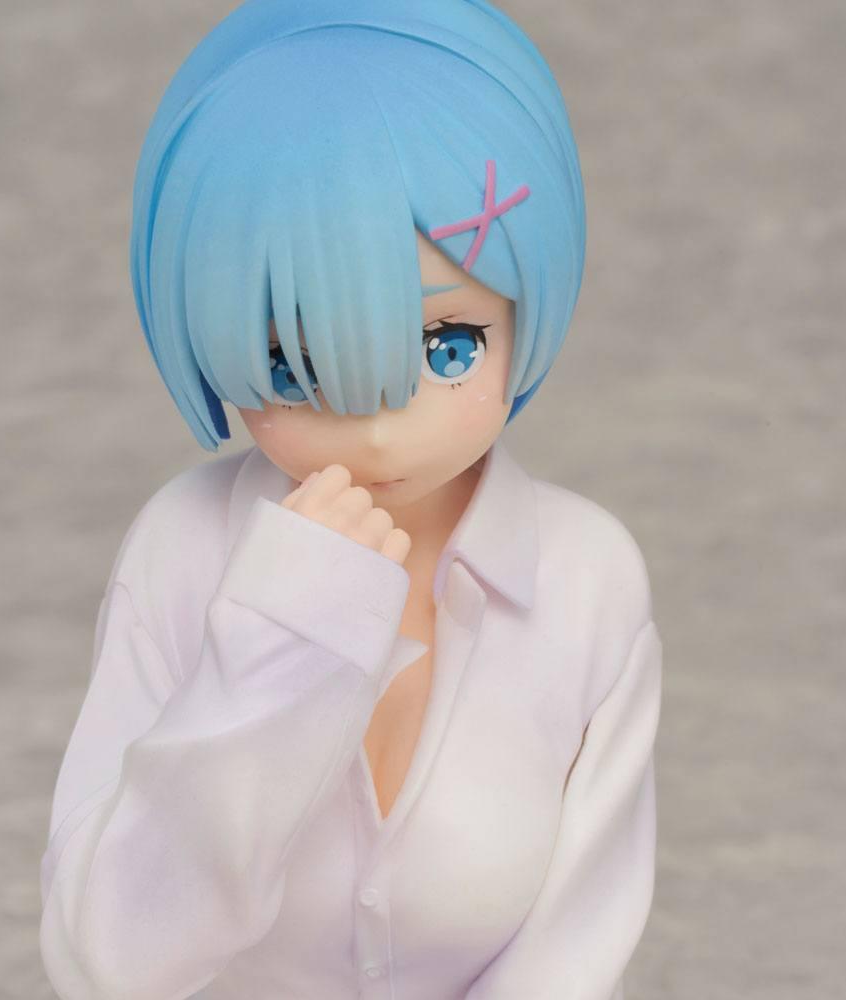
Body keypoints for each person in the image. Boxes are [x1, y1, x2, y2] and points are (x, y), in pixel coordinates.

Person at [39, 2, 663, 998]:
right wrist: (278, 640)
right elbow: (115, 960)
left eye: (446, 347)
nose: (375, 428)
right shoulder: (183, 551)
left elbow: (578, 939)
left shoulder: (585, 578)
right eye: (294, 366)